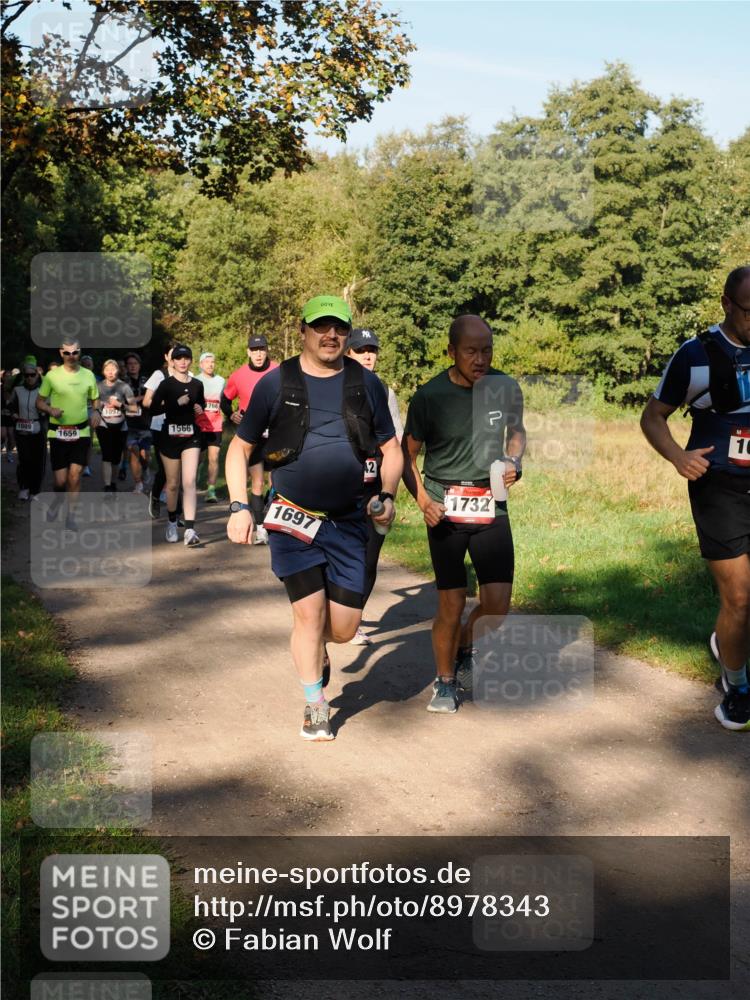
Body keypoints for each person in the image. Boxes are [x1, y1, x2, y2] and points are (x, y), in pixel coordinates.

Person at [226, 295, 402, 742]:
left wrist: (387, 492)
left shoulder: (366, 383)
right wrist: (239, 505)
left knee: (341, 630)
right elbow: (240, 448)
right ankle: (315, 704)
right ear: (303, 331)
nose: (331, 336)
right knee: (308, 616)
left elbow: (391, 449)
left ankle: (321, 650)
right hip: (292, 517)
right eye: (321, 327)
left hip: (348, 521)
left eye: (339, 328)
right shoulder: (276, 383)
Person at [641, 265, 750, 731]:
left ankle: (724, 641)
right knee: (740, 597)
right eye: (749, 310)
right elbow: (653, 417)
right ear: (726, 304)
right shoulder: (695, 355)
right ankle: (737, 684)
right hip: (718, 487)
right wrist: (677, 457)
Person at [402, 315, 526, 714]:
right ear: (451, 352)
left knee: (498, 606)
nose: (481, 359)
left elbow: (517, 431)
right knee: (451, 605)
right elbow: (407, 455)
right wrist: (423, 501)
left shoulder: (505, 387)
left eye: (487, 350)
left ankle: (466, 646)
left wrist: (514, 459)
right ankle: (444, 682)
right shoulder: (428, 397)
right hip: (445, 508)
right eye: (471, 351)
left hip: (491, 504)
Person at [345, 328, 404, 645]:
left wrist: (390, 490)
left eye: (372, 349)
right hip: (339, 489)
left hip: (375, 490)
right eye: (361, 349)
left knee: (369, 558)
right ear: (348, 353)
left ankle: (352, 619)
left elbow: (395, 445)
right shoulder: (333, 385)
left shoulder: (384, 391)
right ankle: (327, 613)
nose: (368, 355)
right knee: (337, 555)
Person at [222, 334, 279, 543]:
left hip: (275, 437)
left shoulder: (278, 371)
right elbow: (225, 400)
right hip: (252, 438)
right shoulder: (238, 375)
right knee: (256, 482)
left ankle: (271, 511)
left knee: (277, 483)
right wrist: (231, 414)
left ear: (267, 350)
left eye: (262, 349)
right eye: (254, 350)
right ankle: (261, 528)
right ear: (248, 351)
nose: (258, 354)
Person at [147, 344, 205, 546]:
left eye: (186, 358)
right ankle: (172, 522)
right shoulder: (166, 384)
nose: (182, 361)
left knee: (189, 482)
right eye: (178, 358)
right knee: (172, 484)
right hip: (169, 436)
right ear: (172, 361)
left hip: (191, 437)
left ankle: (190, 529)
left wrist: (199, 407)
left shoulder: (198, 384)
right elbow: (152, 409)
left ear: (190, 361)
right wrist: (175, 403)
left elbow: (202, 404)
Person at [35, 339, 101, 513]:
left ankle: (71, 515)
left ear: (79, 352)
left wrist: (96, 411)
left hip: (81, 431)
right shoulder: (52, 376)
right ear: (60, 353)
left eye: (75, 352)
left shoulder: (88, 375)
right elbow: (39, 402)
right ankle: (58, 498)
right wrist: (50, 409)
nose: (71, 356)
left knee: (75, 476)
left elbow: (95, 398)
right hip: (57, 433)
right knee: (61, 481)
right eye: (67, 353)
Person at [143, 343, 177, 519]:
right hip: (160, 426)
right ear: (166, 357)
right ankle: (155, 496)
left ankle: (177, 511)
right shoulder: (159, 375)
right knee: (166, 470)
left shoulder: (191, 376)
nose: (176, 358)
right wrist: (169, 403)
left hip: (182, 428)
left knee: (180, 469)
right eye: (173, 355)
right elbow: (147, 402)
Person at [96, 359, 135, 493]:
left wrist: (120, 405)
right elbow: (92, 404)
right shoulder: (98, 386)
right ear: (103, 372)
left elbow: (134, 408)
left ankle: (112, 482)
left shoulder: (124, 387)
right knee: (107, 455)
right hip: (103, 424)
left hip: (120, 426)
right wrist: (99, 405)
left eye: (113, 369)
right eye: (107, 370)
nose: (110, 372)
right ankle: (107, 486)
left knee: (116, 457)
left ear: (118, 370)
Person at [8, 362, 46, 499]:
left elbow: (50, 407)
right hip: (21, 428)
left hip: (38, 428)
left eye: (32, 375)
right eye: (27, 375)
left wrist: (44, 413)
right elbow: (11, 406)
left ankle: (35, 490)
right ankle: (24, 487)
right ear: (23, 376)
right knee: (24, 459)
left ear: (37, 375)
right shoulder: (18, 390)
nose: (30, 378)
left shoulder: (44, 390)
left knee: (37, 460)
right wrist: (14, 415)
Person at [195, 351, 225, 503]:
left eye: (212, 362)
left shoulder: (221, 380)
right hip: (199, 425)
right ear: (201, 365)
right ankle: (194, 478)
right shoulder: (195, 380)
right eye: (207, 362)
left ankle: (211, 491)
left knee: (214, 458)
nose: (210, 364)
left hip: (215, 425)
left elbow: (224, 401)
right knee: (198, 458)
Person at [122, 352, 152, 494]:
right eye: (130, 364)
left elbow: (151, 397)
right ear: (126, 366)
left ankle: (145, 468)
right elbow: (119, 400)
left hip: (145, 423)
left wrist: (134, 399)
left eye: (135, 363)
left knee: (145, 455)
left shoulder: (147, 381)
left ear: (139, 365)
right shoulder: (122, 382)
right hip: (129, 424)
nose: (132, 366)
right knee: (133, 452)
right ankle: (138, 483)